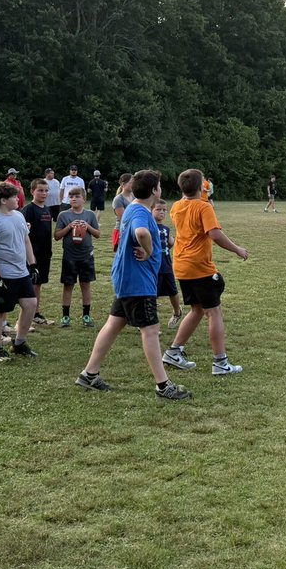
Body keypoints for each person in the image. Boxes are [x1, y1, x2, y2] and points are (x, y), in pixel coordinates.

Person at [75, 169, 191, 400]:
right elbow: (141, 232)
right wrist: (148, 252)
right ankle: (163, 385)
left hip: (127, 278)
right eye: (158, 185)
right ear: (154, 190)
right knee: (151, 331)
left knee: (114, 324)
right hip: (138, 281)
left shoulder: (132, 207)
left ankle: (89, 374)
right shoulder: (140, 212)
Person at [163, 167, 249, 375]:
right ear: (202, 186)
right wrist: (237, 249)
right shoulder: (203, 207)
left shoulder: (176, 206)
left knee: (197, 309)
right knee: (214, 311)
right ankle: (220, 362)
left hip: (182, 265)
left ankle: (174, 352)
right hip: (199, 266)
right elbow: (215, 234)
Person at [0, 181, 38, 362]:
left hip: (20, 272)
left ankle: (19, 344)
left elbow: (26, 241)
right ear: (3, 200)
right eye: (14, 197)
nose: (18, 199)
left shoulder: (18, 216)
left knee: (30, 304)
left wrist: (32, 264)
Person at [55, 187, 101, 328]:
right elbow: (56, 236)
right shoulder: (63, 215)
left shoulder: (90, 215)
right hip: (69, 256)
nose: (74, 199)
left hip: (86, 255)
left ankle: (86, 315)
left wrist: (87, 226)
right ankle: (65, 316)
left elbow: (97, 234)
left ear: (84, 199)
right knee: (68, 285)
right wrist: (69, 227)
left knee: (85, 285)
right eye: (71, 196)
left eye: (77, 196)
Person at [23, 178, 55, 326]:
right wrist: (30, 256)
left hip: (45, 253)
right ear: (32, 191)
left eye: (46, 190)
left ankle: (35, 313)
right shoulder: (29, 210)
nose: (44, 193)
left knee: (38, 284)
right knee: (31, 284)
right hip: (32, 255)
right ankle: (26, 316)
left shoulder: (47, 209)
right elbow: (23, 234)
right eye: (40, 190)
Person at [153, 198, 184, 327]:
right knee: (152, 293)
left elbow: (171, 243)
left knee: (172, 290)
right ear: (151, 210)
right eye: (158, 209)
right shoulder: (149, 226)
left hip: (166, 265)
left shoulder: (166, 228)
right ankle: (150, 320)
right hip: (153, 266)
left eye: (164, 210)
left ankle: (177, 312)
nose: (162, 212)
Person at [111, 173, 134, 251]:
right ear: (123, 184)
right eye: (131, 182)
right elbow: (124, 219)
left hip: (133, 229)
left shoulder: (134, 197)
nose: (134, 184)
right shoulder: (118, 199)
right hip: (122, 231)